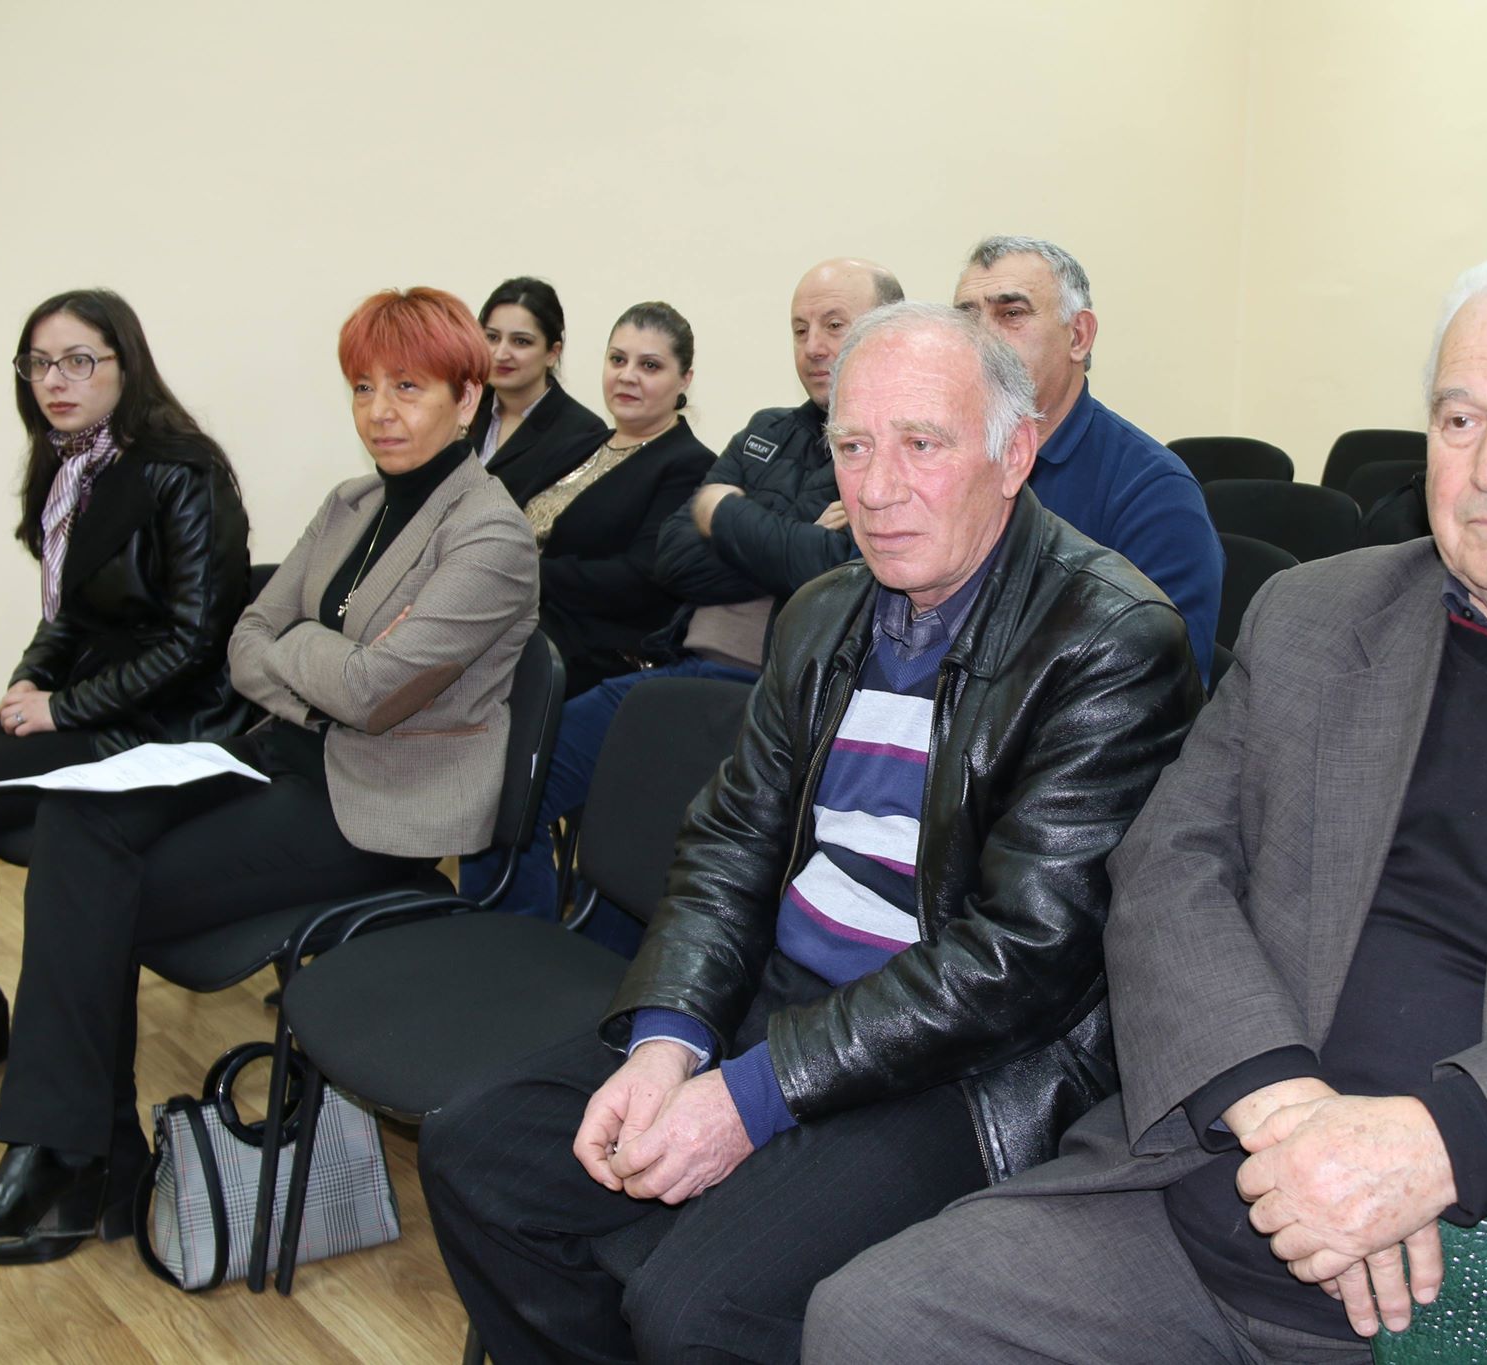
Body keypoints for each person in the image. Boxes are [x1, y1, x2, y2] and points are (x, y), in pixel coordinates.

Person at [808, 250, 1487, 1364]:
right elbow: (1169, 866)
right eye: (1457, 420)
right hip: (1222, 1186)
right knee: (877, 1320)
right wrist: (1278, 1108)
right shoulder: (1314, 617)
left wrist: (1434, 1146)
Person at [418, 301, 1201, 1362]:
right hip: (776, 1002)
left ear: (1014, 453)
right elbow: (729, 840)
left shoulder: (1109, 640)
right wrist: (668, 1038)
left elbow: (1023, 958)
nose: (875, 489)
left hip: (958, 1064)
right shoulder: (823, 612)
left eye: (921, 444)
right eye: (852, 447)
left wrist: (751, 1096)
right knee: (480, 1158)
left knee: (697, 1308)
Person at [0, 287, 538, 1266]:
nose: (379, 411)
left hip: (371, 805)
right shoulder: (353, 502)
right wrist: (324, 659)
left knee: (94, 891)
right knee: (78, 818)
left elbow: (372, 695)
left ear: (467, 399)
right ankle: (67, 1155)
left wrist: (314, 655)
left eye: (408, 388)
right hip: (275, 755)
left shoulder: (490, 537)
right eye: (363, 387)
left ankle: (75, 1162)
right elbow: (246, 639)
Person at [0, 289, 250, 1144]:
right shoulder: (72, 466)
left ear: (125, 365)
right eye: (38, 364)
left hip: (167, 722)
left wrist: (62, 705)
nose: (54, 381)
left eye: (78, 361)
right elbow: (66, 616)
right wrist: (28, 681)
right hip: (94, 699)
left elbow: (195, 642)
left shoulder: (185, 470)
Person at [459, 257, 901, 931]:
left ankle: (576, 978)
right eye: (799, 328)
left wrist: (726, 516)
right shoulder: (767, 430)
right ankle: (505, 950)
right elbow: (672, 556)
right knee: (509, 788)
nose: (813, 345)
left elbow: (829, 568)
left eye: (834, 325)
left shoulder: (893, 449)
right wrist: (787, 539)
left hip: (769, 700)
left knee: (639, 863)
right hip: (676, 668)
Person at [954, 235, 1223, 677]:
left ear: (1078, 336)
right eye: (966, 318)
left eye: (1011, 314)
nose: (981, 338)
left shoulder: (1154, 493)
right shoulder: (941, 461)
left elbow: (1162, 684)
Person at [533, 302, 714, 696]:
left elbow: (640, 579)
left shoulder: (691, 465)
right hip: (521, 622)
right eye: (617, 359)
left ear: (684, 379)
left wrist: (525, 573)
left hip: (591, 653)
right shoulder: (577, 445)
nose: (627, 376)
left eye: (649, 366)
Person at [466, 276, 611, 503]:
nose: (501, 354)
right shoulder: (463, 408)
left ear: (552, 353)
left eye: (521, 341)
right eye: (492, 337)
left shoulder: (582, 432)